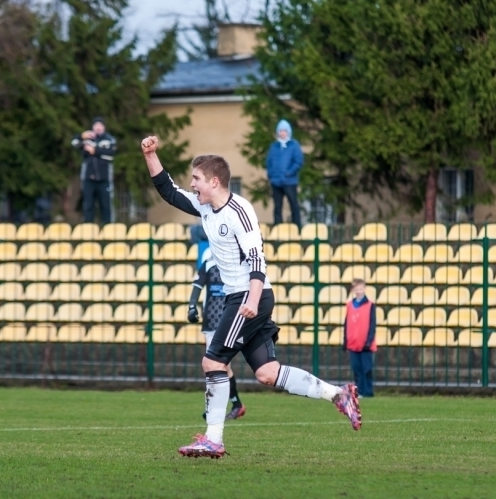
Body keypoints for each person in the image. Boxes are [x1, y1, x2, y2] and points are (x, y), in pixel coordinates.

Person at [141, 135, 360, 459]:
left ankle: (213, 439)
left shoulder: (239, 211)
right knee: (267, 373)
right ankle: (338, 394)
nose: (193, 185)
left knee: (212, 361)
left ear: (214, 181)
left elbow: (257, 261)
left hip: (248, 296)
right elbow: (168, 191)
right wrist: (151, 154)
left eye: (197, 179)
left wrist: (253, 301)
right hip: (245, 298)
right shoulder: (205, 207)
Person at [188, 247, 245, 420]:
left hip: (229, 319)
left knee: (219, 363)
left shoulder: (235, 266)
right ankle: (234, 404)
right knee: (217, 365)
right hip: (211, 320)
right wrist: (192, 306)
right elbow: (197, 285)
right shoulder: (209, 264)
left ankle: (228, 405)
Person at [71, 117, 116, 224]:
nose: (98, 127)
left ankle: (107, 227)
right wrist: (81, 136)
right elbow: (74, 143)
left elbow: (111, 154)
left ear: (104, 127)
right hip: (88, 178)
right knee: (88, 204)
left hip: (104, 178)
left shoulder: (109, 139)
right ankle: (88, 227)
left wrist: (94, 151)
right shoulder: (87, 139)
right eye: (96, 125)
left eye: (100, 125)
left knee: (105, 204)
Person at [265, 119, 303, 227]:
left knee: (293, 205)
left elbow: (298, 161)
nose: (282, 133)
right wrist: (271, 175)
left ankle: (297, 228)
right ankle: (278, 228)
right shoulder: (274, 147)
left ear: (288, 132)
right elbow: (269, 162)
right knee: (277, 207)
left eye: (284, 131)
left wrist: (289, 172)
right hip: (276, 182)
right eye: (280, 131)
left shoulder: (294, 145)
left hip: (290, 181)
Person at [343, 278, 376, 398]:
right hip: (353, 342)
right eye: (356, 288)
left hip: (365, 343)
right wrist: (345, 340)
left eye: (360, 288)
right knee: (356, 368)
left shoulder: (370, 305)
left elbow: (372, 324)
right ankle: (360, 391)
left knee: (366, 369)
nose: (358, 290)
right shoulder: (350, 305)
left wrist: (369, 340)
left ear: (364, 288)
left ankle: (368, 391)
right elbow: (347, 323)